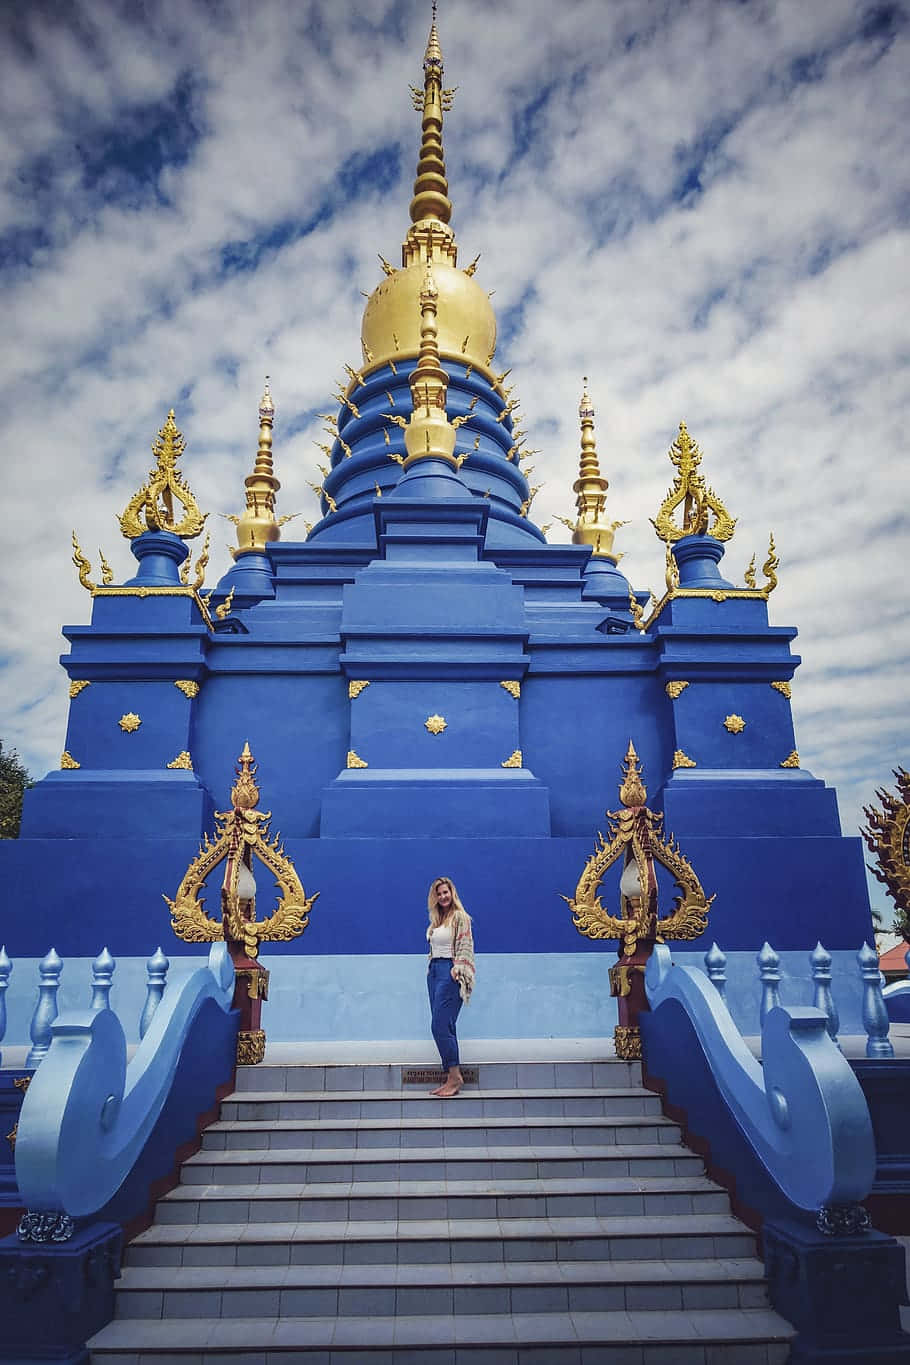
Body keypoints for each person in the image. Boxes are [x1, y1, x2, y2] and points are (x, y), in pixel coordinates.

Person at [426, 875, 475, 1097]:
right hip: (434, 972)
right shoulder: (437, 920)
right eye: (439, 893)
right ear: (434, 898)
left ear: (452, 893)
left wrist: (459, 968)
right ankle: (451, 1077)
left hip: (450, 972)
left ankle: (455, 1077)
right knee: (446, 1026)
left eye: (446, 892)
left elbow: (465, 944)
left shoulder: (460, 917)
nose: (443, 896)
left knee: (439, 1025)